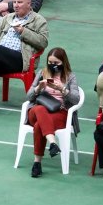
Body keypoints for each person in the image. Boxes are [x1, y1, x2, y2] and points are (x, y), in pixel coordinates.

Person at [26, 47, 81, 178]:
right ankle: (52, 143)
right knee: (39, 109)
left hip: (59, 112)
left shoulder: (70, 76)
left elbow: (76, 99)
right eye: (50, 62)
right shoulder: (42, 73)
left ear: (63, 62)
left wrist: (63, 90)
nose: (53, 65)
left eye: (56, 63)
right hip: (37, 110)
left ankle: (37, 164)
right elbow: (28, 97)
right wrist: (39, 88)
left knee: (40, 126)